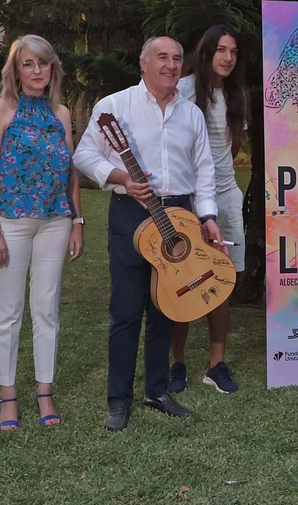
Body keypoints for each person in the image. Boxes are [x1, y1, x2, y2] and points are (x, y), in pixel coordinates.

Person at [73, 36, 222, 432]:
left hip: (180, 216)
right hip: (131, 213)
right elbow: (84, 155)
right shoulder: (115, 106)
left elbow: (205, 169)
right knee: (126, 312)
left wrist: (208, 215)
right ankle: (118, 400)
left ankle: (157, 391)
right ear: (143, 63)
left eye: (177, 58)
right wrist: (120, 176)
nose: (170, 65)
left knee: (167, 310)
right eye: (162, 57)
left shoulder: (191, 113)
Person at [0, 35, 83, 432]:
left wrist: (77, 221)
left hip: (55, 221)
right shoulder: (0, 109)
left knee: (46, 309)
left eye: (43, 63)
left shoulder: (61, 113)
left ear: (53, 67)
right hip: (11, 223)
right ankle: (7, 396)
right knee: (8, 313)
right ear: (16, 70)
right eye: (28, 64)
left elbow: (70, 171)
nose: (37, 70)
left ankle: (44, 392)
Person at [170, 25, 248, 395]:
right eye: (221, 50)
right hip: (188, 199)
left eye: (233, 51)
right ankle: (177, 363)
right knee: (181, 279)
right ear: (206, 52)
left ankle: (217, 364)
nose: (228, 58)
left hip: (226, 196)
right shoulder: (183, 89)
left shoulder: (236, 93)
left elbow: (231, 147)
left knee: (223, 278)